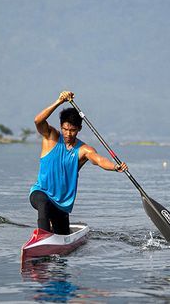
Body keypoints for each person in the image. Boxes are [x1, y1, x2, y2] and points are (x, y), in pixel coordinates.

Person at [29, 90, 127, 235]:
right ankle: (43, 237)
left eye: (72, 130)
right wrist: (59, 101)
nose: (68, 134)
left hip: (61, 205)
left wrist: (115, 166)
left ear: (79, 129)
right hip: (40, 193)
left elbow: (99, 160)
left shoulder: (83, 150)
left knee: (62, 233)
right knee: (43, 202)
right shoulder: (51, 137)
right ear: (61, 126)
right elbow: (38, 121)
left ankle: (51, 227)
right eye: (65, 129)